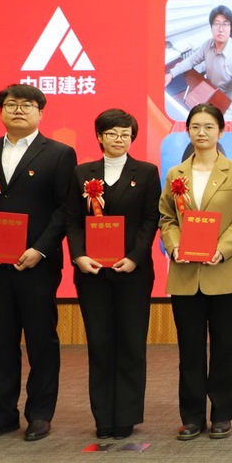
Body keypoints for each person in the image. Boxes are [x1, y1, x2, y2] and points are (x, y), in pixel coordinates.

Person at [0, 84, 77, 443]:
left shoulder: (59, 153)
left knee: (41, 339)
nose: (19, 110)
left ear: (41, 112)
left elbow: (65, 208)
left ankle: (40, 413)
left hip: (36, 263)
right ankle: (3, 413)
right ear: (1, 111)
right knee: (0, 340)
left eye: (27, 105)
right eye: (11, 104)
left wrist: (40, 249)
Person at [159, 103, 232, 440]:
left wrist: (222, 249)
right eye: (195, 126)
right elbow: (167, 218)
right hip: (186, 275)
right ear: (187, 131)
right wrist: (174, 246)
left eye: (209, 127)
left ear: (221, 131)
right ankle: (192, 417)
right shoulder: (176, 174)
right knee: (190, 350)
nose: (202, 132)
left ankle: (222, 414)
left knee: (225, 348)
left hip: (223, 273)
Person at [65, 108, 161, 440]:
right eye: (112, 133)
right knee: (100, 343)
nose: (119, 139)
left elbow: (151, 219)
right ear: (99, 137)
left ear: (132, 138)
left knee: (132, 343)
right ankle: (103, 417)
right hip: (92, 273)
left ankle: (127, 416)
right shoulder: (82, 173)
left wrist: (135, 257)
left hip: (133, 272)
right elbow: (72, 220)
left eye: (125, 134)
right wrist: (79, 256)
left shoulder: (146, 172)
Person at [165, 5, 232, 121]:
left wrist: (225, 120)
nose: (220, 29)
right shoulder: (208, 44)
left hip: (224, 100)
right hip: (207, 91)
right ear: (211, 27)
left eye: (225, 24)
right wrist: (171, 74)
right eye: (216, 24)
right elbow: (191, 60)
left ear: (230, 28)